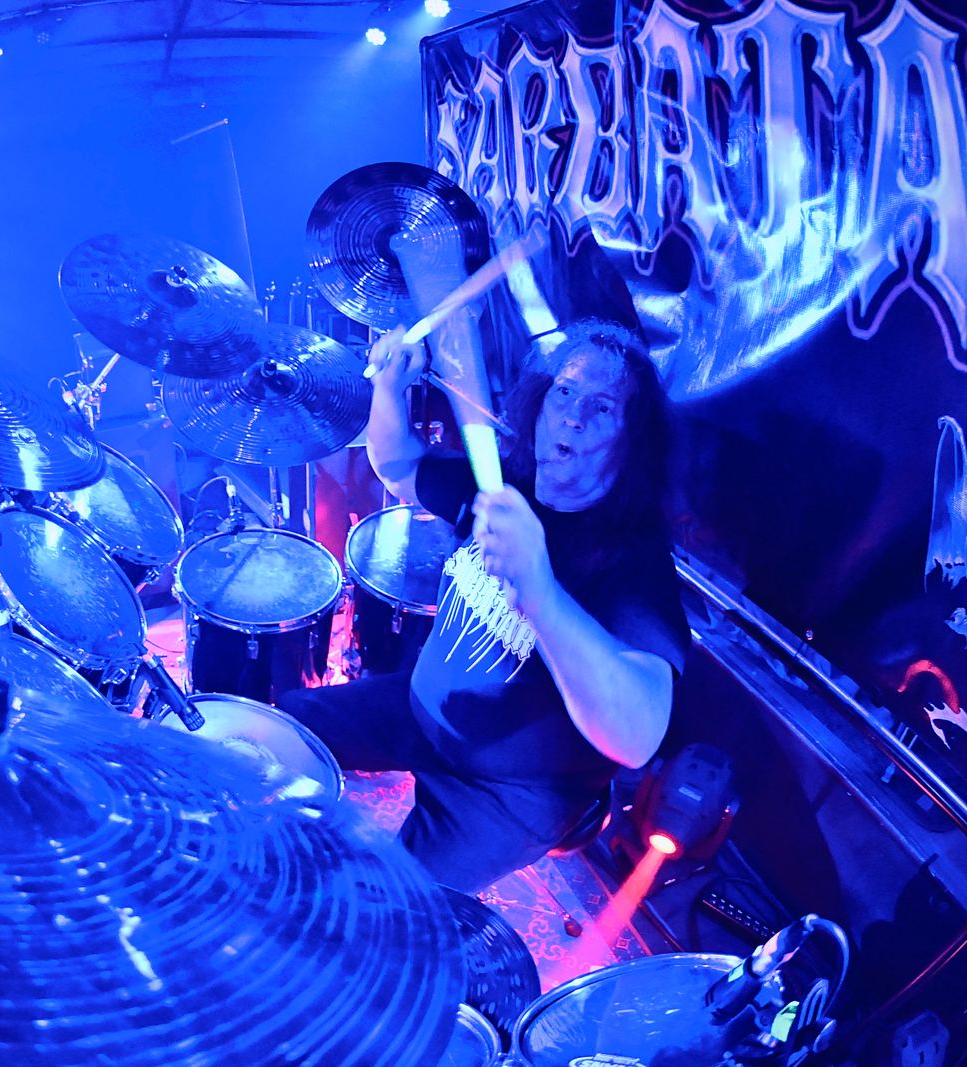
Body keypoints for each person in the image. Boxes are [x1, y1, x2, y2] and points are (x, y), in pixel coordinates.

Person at [280, 311, 690, 894]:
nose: (572, 416)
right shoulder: (504, 480)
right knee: (275, 732)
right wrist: (389, 387)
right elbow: (399, 467)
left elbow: (638, 736)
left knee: (391, 908)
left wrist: (539, 591)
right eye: (564, 392)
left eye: (602, 407)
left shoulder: (632, 560)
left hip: (508, 793)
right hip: (418, 710)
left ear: (633, 441)